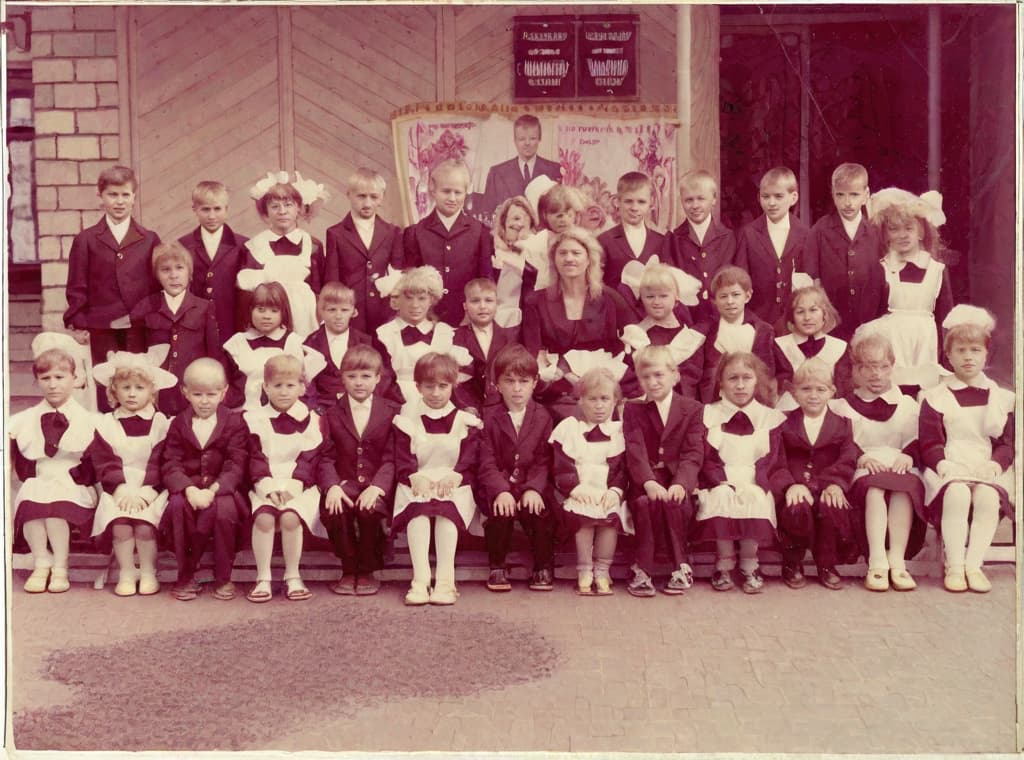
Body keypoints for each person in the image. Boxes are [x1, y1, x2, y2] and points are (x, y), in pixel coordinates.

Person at [919, 305, 1015, 593]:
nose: (968, 357)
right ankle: (955, 566)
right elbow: (930, 443)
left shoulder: (1003, 398)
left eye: (975, 350)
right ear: (948, 356)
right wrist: (945, 465)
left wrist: (995, 465)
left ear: (986, 355)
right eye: (960, 350)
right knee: (958, 492)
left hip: (986, 464)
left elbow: (1006, 443)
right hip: (949, 464)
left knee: (986, 495)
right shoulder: (935, 396)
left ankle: (974, 564)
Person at [830, 332, 926, 592]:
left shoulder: (906, 404)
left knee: (902, 491)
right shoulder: (843, 406)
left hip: (899, 463)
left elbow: (916, 439)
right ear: (856, 370)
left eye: (883, 366)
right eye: (868, 367)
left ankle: (897, 560)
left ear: (892, 368)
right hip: (863, 465)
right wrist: (861, 457)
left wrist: (908, 454)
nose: (876, 374)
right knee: (875, 489)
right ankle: (877, 561)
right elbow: (843, 441)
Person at [63, 165, 161, 410]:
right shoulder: (86, 239)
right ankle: (107, 439)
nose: (119, 202)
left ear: (134, 197)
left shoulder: (149, 239)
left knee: (138, 383)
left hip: (138, 327)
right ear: (100, 196)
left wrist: (138, 316)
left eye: (125, 195)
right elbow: (76, 285)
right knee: (106, 385)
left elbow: (156, 287)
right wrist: (78, 321)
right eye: (112, 195)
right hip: (102, 327)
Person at [392, 353, 483, 606]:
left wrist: (456, 475)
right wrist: (413, 476)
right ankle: (420, 580)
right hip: (417, 481)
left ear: (452, 386)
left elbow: (470, 458)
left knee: (445, 513)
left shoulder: (465, 421)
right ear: (418, 387)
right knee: (418, 514)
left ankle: (445, 581)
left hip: (453, 483)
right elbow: (402, 457)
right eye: (428, 386)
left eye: (442, 386)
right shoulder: (407, 420)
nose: (435, 393)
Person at [10, 334, 99, 593]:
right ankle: (41, 561)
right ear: (37, 381)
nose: (53, 385)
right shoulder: (24, 419)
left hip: (74, 481)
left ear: (75, 378)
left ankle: (60, 566)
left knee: (54, 506)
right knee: (32, 496)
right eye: (45, 378)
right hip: (41, 478)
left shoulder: (88, 419)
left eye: (59, 378)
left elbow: (94, 466)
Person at [694, 352, 788, 594]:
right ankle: (724, 563)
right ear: (721, 383)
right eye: (732, 378)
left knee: (754, 496)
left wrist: (758, 482)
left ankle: (750, 563)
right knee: (721, 496)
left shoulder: (770, 418)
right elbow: (706, 456)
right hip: (719, 477)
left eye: (747, 378)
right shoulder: (708, 414)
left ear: (756, 381)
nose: (740, 385)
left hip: (755, 477)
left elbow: (772, 458)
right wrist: (719, 481)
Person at [160, 358, 248, 601]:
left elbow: (236, 464)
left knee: (225, 511)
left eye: (212, 394)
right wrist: (188, 489)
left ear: (224, 392)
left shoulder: (234, 422)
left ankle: (224, 575)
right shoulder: (178, 423)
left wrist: (214, 490)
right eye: (197, 394)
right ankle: (185, 574)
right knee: (178, 507)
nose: (205, 401)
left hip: (222, 489)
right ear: (185, 392)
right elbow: (171, 462)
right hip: (189, 488)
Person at [90, 351, 177, 596]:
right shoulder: (106, 423)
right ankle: (127, 572)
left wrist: (147, 492)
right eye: (125, 387)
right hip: (118, 487)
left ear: (151, 391)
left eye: (139, 387)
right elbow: (104, 462)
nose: (131, 393)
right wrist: (121, 490)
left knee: (144, 526)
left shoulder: (162, 423)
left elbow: (163, 460)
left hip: (153, 487)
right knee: (120, 525)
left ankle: (149, 571)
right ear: (113, 391)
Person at [521, 227, 632, 420]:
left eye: (576, 253)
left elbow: (632, 344)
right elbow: (533, 352)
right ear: (554, 260)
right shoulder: (535, 301)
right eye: (562, 253)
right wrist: (564, 376)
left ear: (589, 259)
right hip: (556, 391)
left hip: (603, 390)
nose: (569, 258)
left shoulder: (611, 299)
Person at [622, 346, 703, 597]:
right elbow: (634, 450)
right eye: (645, 377)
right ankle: (642, 569)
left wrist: (681, 483)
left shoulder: (692, 408)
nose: (652, 382)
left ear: (674, 375)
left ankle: (681, 566)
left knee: (675, 503)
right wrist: (648, 481)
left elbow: (693, 452)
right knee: (645, 503)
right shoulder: (633, 409)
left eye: (658, 375)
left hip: (676, 479)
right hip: (645, 481)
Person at [243, 354, 325, 603]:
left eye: (290, 385)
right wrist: (266, 486)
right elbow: (253, 456)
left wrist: (294, 484)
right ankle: (263, 577)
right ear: (265, 387)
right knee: (265, 518)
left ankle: (292, 575)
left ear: (302, 387)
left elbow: (311, 457)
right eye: (277, 385)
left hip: (299, 484)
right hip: (264, 482)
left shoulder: (312, 419)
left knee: (290, 518)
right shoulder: (253, 419)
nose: (283, 392)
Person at [318, 344, 398, 595]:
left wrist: (378, 487)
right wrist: (331, 485)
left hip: (376, 484)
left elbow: (392, 457)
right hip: (345, 482)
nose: (359, 383)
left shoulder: (391, 411)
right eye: (351, 376)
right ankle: (348, 567)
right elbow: (325, 455)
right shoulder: (331, 414)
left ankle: (366, 569)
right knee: (335, 507)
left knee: (369, 510)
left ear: (377, 378)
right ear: (342, 378)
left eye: (365, 376)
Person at [477, 344, 556, 592]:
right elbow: (486, 461)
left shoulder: (543, 416)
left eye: (524, 381)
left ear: (535, 383)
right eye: (509, 381)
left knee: (538, 511)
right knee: (500, 511)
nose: (517, 388)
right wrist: (501, 489)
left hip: (531, 484)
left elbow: (544, 460)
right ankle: (497, 566)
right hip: (499, 485)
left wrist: (533, 488)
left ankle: (542, 566)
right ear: (497, 385)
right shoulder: (489, 418)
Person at [858, 188, 954, 392]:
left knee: (925, 393)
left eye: (909, 228)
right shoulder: (882, 269)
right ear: (886, 234)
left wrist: (945, 358)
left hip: (926, 343)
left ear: (921, 231)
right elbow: (870, 316)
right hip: (892, 345)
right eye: (894, 229)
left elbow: (945, 318)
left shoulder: (936, 270)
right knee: (894, 393)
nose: (902, 235)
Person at [776, 358, 858, 590]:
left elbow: (847, 459)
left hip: (825, 487)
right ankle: (792, 563)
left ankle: (827, 563)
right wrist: (791, 485)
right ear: (794, 393)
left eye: (820, 389)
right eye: (806, 389)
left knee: (831, 504)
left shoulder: (842, 424)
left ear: (831, 392)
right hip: (796, 488)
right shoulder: (784, 424)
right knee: (796, 506)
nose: (813, 395)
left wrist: (834, 483)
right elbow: (777, 460)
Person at [549, 368, 632, 596]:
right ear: (581, 401)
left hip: (608, 490)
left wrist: (616, 490)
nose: (598, 405)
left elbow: (622, 467)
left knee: (608, 521)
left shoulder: (619, 432)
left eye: (604, 399)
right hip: (581, 489)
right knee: (583, 520)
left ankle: (603, 570)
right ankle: (584, 568)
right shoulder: (570, 429)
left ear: (615, 401)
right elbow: (561, 464)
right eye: (592, 399)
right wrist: (574, 487)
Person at [127, 241, 222, 415]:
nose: (173, 275)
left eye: (179, 268)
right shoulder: (144, 308)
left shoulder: (203, 308)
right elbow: (135, 356)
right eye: (166, 270)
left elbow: (213, 356)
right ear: (156, 275)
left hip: (194, 394)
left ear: (190, 273)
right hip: (156, 397)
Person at [237, 170, 329, 337]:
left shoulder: (313, 245)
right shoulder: (255, 246)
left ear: (299, 208)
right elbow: (247, 295)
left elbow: (320, 288)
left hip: (306, 318)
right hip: (268, 322)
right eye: (274, 206)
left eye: (288, 205)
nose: (282, 211)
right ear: (265, 212)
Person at [404, 159, 494, 327]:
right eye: (446, 191)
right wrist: (424, 315)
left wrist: (471, 315)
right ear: (433, 190)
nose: (452, 198)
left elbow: (485, 282)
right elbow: (410, 283)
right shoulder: (415, 233)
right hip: (426, 320)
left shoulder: (480, 232)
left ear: (466, 192)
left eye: (458, 192)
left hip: (467, 321)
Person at [803, 163, 887, 341]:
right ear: (833, 195)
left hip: (869, 317)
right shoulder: (820, 230)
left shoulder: (876, 231)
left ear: (866, 195)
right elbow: (812, 276)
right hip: (832, 318)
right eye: (840, 195)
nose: (847, 202)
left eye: (854, 195)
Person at [323, 168, 405, 335]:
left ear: (381, 197)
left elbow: (398, 273)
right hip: (351, 312)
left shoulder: (392, 232)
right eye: (361, 196)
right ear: (349, 194)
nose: (367, 203)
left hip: (384, 312)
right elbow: (332, 280)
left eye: (374, 197)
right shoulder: (336, 233)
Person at [375, 266, 471, 405]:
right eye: (408, 298)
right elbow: (383, 381)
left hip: (438, 404)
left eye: (421, 298)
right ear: (397, 300)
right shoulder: (385, 334)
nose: (415, 305)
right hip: (395, 404)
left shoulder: (444, 333)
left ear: (431, 300)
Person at [735, 166, 812, 334]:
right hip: (757, 322)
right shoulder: (748, 234)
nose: (771, 203)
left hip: (794, 324)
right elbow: (740, 281)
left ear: (793, 198)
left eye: (778, 196)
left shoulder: (806, 234)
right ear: (759, 198)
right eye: (765, 197)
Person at [494, 184, 582, 327]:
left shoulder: (584, 242)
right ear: (545, 215)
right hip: (542, 311)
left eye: (567, 213)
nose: (562, 219)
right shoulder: (533, 246)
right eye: (555, 214)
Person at [620, 263, 705, 399]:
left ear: (676, 298)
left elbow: (695, 377)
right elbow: (631, 382)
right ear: (642, 299)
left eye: (663, 296)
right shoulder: (637, 336)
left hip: (685, 404)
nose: (656, 302)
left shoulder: (689, 335)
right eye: (650, 296)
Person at [662, 169, 736, 324]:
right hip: (686, 319)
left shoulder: (728, 237)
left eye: (701, 199)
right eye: (689, 200)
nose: (695, 205)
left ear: (714, 199)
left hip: (721, 317)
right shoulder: (673, 239)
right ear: (681, 201)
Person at [177, 180, 249, 340]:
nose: (211, 216)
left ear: (227, 209)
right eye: (205, 209)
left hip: (231, 324)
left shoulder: (243, 245)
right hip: (195, 323)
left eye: (217, 209)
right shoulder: (184, 245)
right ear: (194, 210)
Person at [697, 266, 776, 403]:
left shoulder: (762, 331)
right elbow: (696, 374)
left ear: (747, 296)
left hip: (753, 401)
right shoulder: (706, 331)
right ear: (714, 300)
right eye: (723, 296)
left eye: (735, 295)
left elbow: (767, 373)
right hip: (714, 402)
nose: (730, 301)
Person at [223, 281, 306, 410]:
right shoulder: (237, 343)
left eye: (274, 311)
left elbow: (303, 385)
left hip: (284, 413)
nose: (266, 316)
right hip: (244, 412)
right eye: (260, 310)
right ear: (251, 310)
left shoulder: (294, 343)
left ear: (283, 312)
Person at [772, 285, 851, 411]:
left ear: (824, 314)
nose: (807, 317)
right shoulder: (780, 346)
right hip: (789, 411)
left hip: (829, 411)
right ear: (792, 317)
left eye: (813, 310)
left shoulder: (839, 347)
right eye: (800, 312)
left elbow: (842, 389)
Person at [302, 282, 373, 414]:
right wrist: (315, 409)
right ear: (321, 311)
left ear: (353, 311)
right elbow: (307, 384)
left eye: (344, 310)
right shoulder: (311, 343)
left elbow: (374, 378)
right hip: (322, 409)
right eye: (332, 310)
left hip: (357, 406)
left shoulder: (364, 342)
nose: (338, 316)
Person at [453, 278, 518, 415]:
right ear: (465, 305)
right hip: (468, 407)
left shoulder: (509, 338)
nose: (482, 306)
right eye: (475, 301)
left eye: (488, 300)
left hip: (504, 408)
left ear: (497, 304)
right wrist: (467, 406)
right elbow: (456, 381)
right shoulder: (455, 338)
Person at [480, 113, 562, 217]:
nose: (527, 143)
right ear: (515, 141)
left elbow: (559, 211)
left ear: (539, 139)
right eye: (522, 139)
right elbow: (487, 213)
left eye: (532, 138)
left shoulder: (554, 170)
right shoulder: (497, 173)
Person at [598, 172, 666, 292]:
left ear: (651, 203)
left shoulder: (661, 241)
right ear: (617, 202)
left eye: (641, 202)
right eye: (628, 201)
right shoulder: (604, 240)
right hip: (615, 309)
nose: (634, 208)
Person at [491, 195, 539, 328]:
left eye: (525, 219)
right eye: (516, 218)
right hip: (494, 321)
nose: (520, 224)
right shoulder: (492, 250)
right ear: (504, 222)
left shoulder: (536, 250)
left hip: (526, 323)